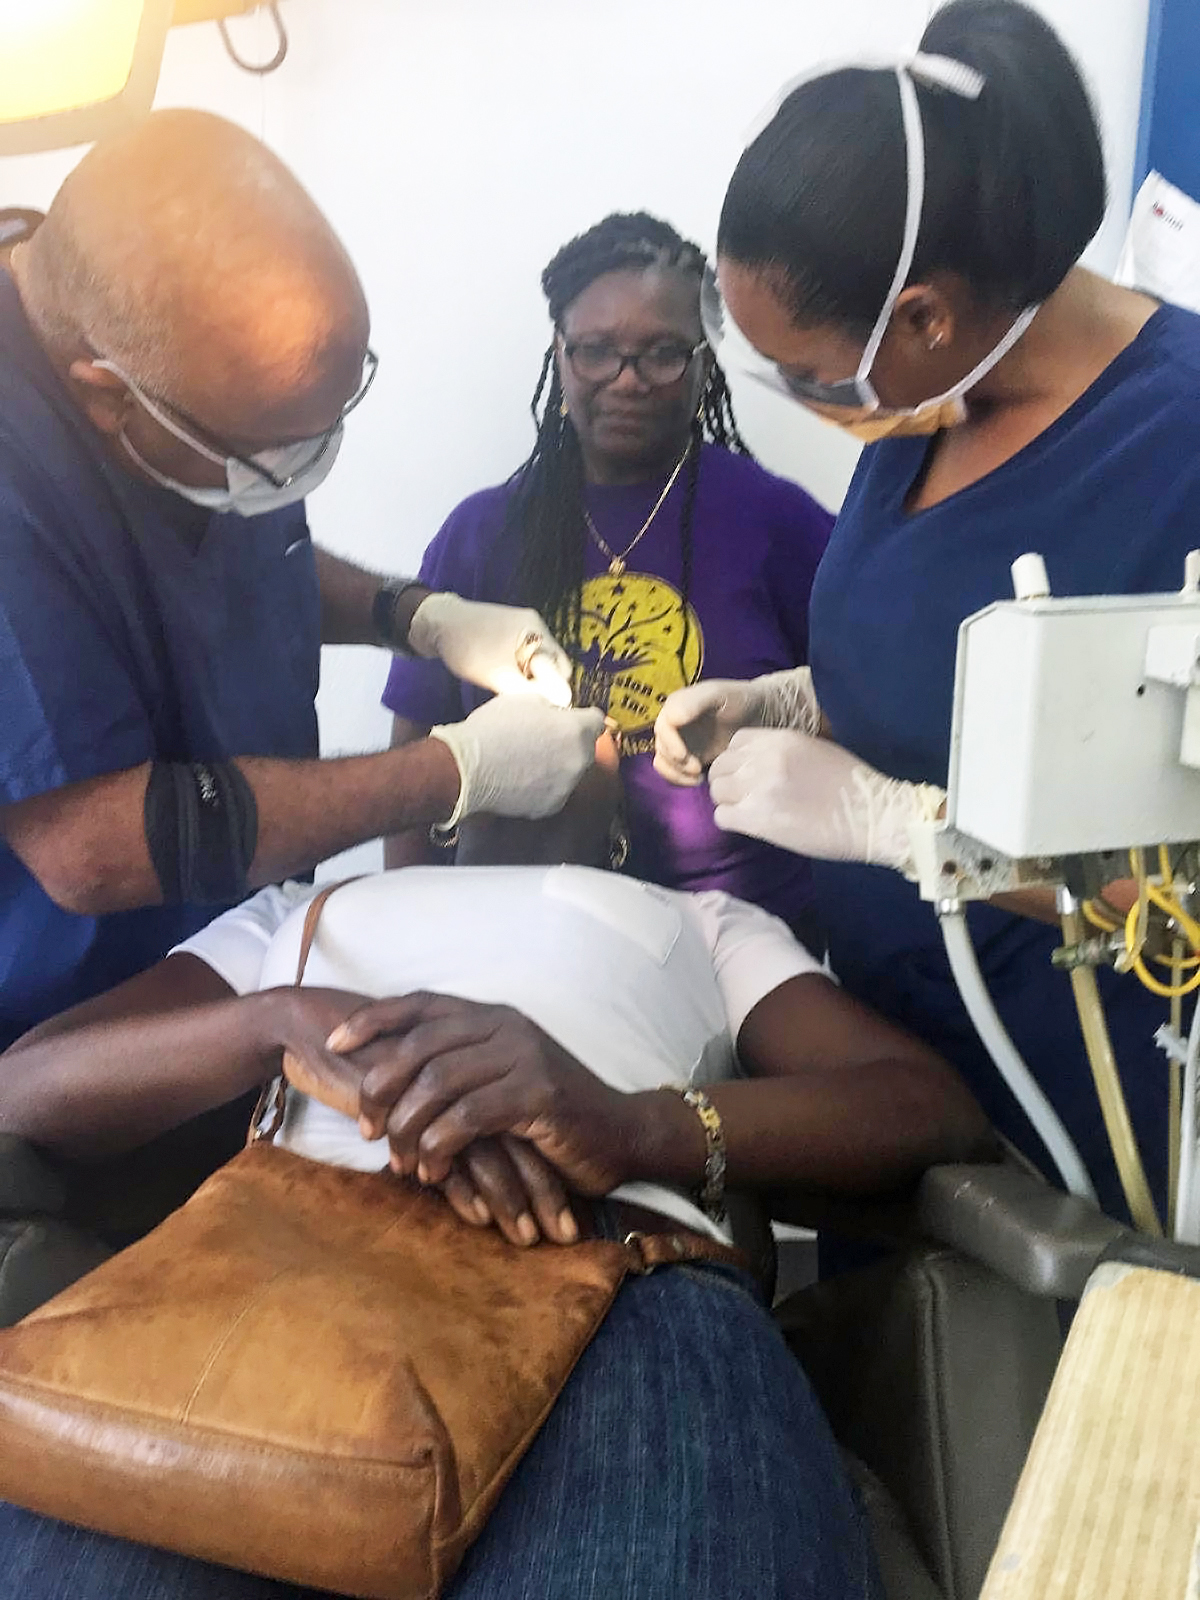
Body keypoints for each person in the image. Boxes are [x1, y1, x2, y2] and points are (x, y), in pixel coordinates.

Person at [0, 732, 993, 1599]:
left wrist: (627, 1126)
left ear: (619, 821)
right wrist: (276, 1022)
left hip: (620, 1281)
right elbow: (25, 1083)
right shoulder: (304, 911)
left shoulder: (704, 921)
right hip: (268, 1273)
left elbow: (923, 1107)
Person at [653, 0, 1200, 1225]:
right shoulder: (931, 409)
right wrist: (782, 697)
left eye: (807, 369)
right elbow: (939, 657)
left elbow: (1189, 899)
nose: (806, 400)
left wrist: (898, 827)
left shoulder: (1178, 449)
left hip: (1094, 1125)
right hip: (901, 1082)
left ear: (922, 317)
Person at [0, 108, 602, 1063]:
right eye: (280, 457)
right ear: (109, 394)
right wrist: (456, 772)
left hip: (254, 949)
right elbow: (93, 849)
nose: (306, 470)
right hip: (75, 1038)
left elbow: (237, 557)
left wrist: (416, 617)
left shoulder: (168, 358)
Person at [382, 212, 832, 944]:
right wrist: (402, 931)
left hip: (736, 935)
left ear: (703, 361)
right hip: (517, 928)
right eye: (596, 351)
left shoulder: (775, 521)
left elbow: (863, 701)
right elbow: (412, 764)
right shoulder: (479, 535)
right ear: (559, 355)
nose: (628, 380)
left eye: (662, 353)